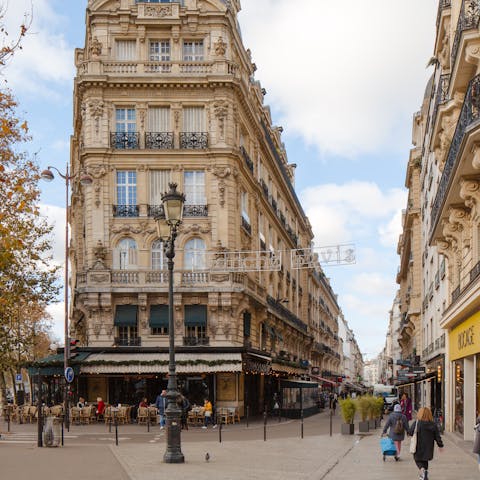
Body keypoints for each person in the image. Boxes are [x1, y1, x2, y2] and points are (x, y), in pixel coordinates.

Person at [408, 407, 444, 480]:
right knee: (425, 460)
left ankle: (422, 471)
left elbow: (410, 432)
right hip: (428, 447)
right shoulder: (433, 424)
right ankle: (424, 473)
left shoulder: (417, 423)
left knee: (417, 459)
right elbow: (437, 436)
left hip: (418, 446)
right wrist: (440, 445)